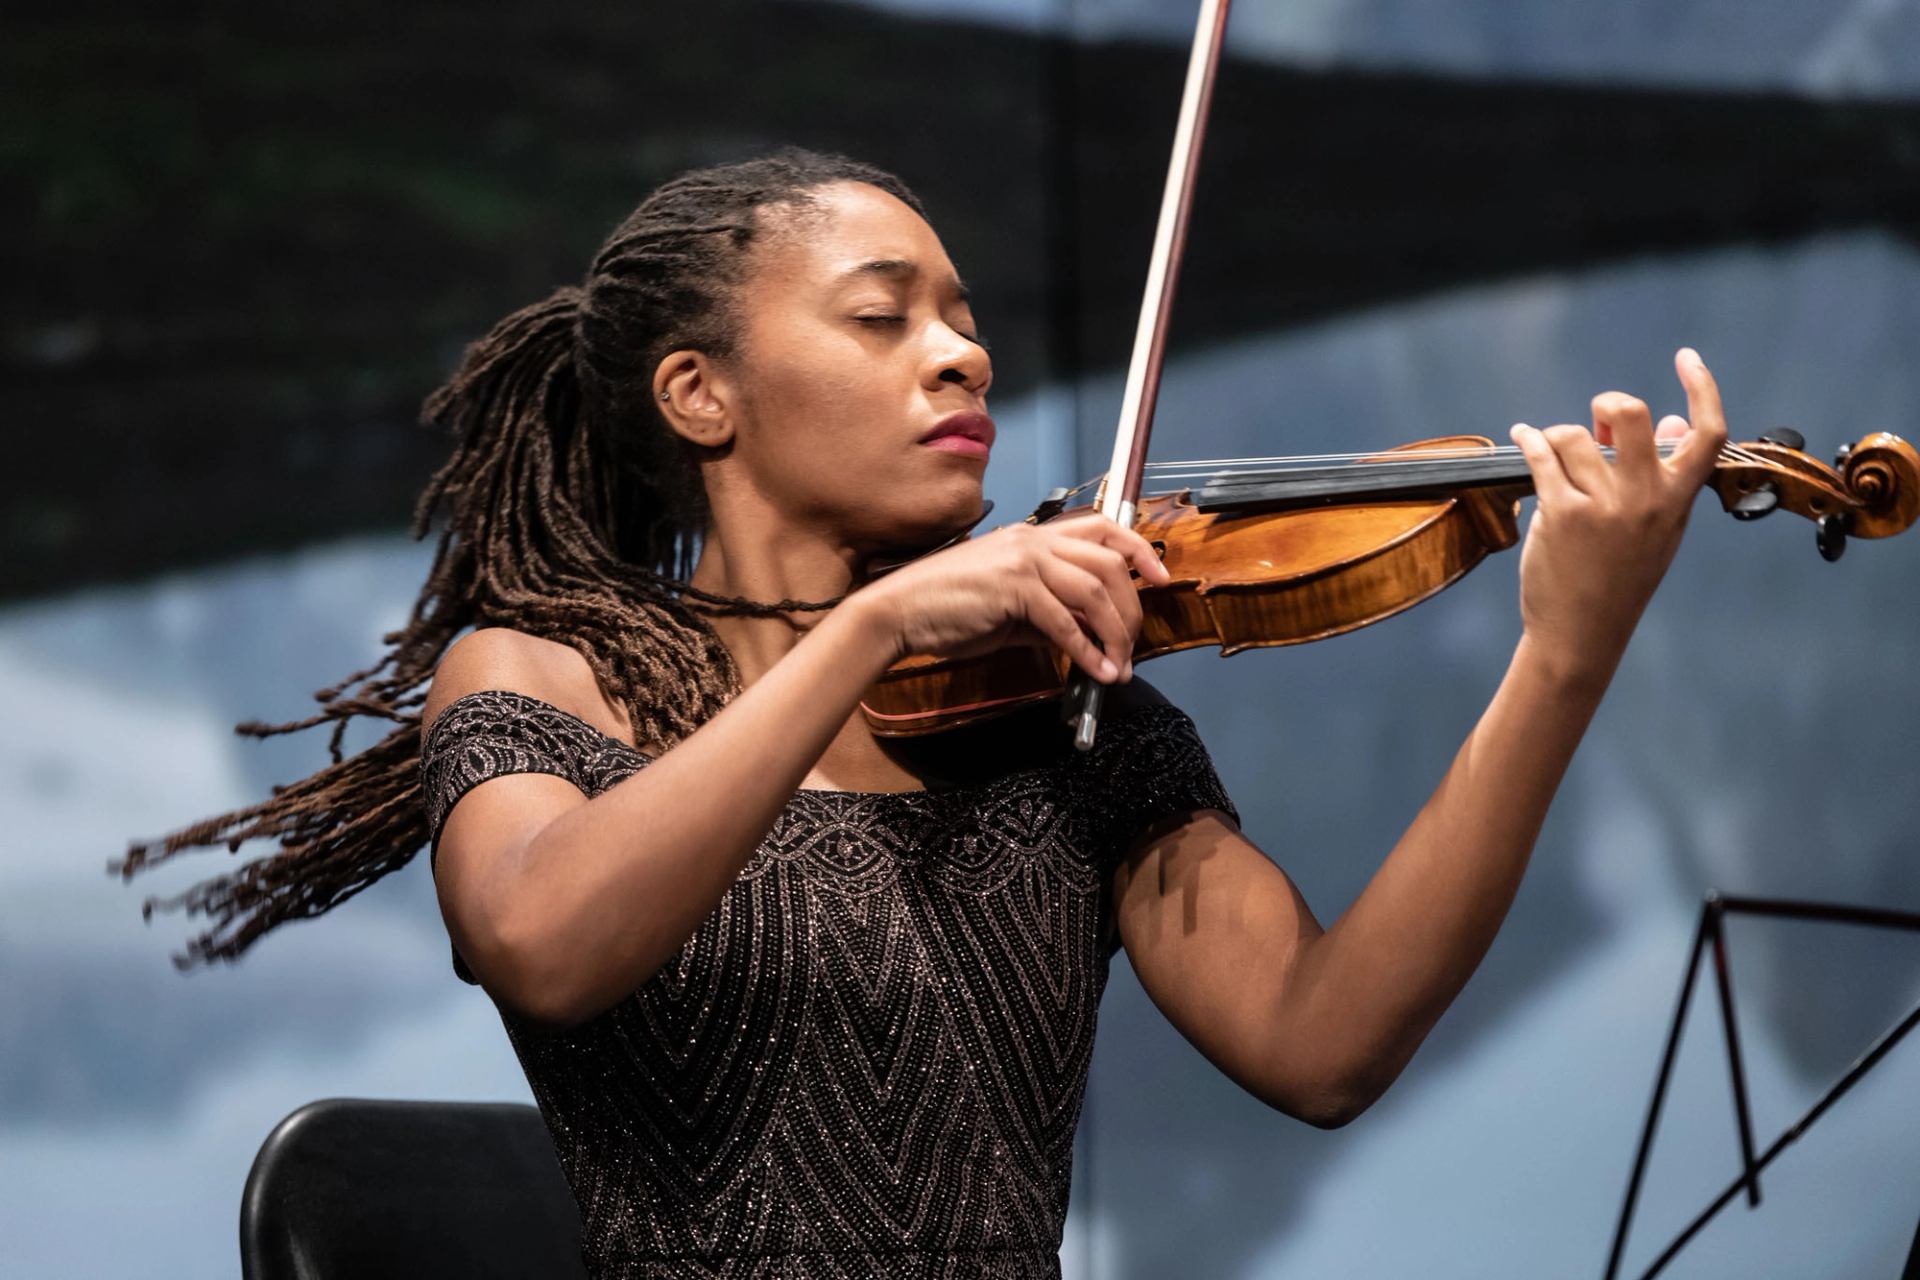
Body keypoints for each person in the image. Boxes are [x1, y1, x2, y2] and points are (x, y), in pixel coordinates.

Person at [121, 147, 1727, 1277]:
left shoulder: (1070, 717)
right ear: (700, 394)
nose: (960, 355)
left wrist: (1564, 659)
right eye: (882, 316)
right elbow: (547, 942)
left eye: (963, 318)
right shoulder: (539, 676)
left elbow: (1323, 1044)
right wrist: (872, 625)